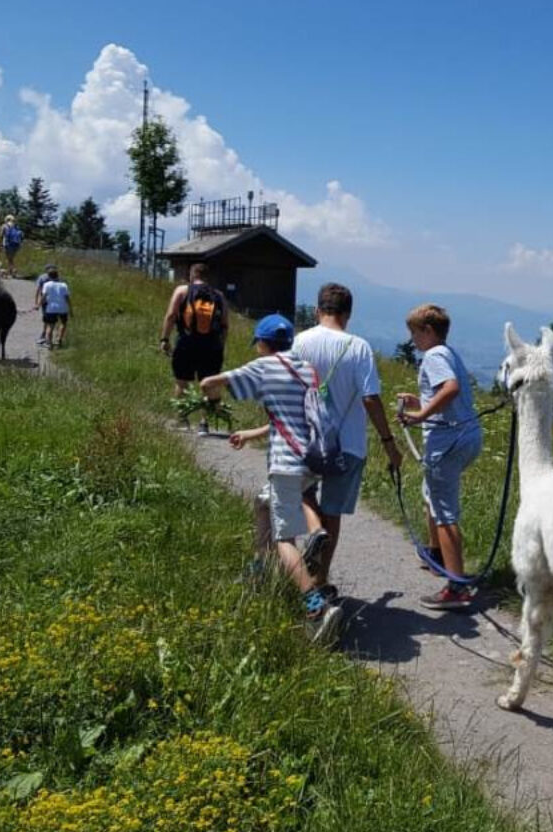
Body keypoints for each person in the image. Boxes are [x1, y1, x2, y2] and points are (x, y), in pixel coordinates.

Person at [201, 315, 344, 644]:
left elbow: (210, 382)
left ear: (263, 344)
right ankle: (259, 575)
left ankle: (315, 605)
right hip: (310, 460)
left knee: (284, 539)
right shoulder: (308, 370)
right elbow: (294, 417)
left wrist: (210, 399)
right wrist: (253, 433)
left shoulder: (264, 366)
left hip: (285, 464)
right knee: (263, 506)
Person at [288, 283, 404, 591]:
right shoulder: (359, 347)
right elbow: (370, 398)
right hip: (348, 443)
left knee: (302, 493)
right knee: (334, 512)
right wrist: (389, 443)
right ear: (348, 314)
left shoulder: (300, 342)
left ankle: (311, 539)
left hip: (306, 439)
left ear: (317, 310)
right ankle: (321, 577)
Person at [397, 303, 483, 610]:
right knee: (430, 496)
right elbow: (446, 394)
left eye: (414, 333)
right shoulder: (448, 353)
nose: (412, 340)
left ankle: (456, 586)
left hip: (446, 442)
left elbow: (451, 388)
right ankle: (437, 558)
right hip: (465, 436)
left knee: (445, 512)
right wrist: (420, 399)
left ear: (428, 331)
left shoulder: (433, 355)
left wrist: (420, 414)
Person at [160, 263, 227, 432]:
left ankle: (182, 420)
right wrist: (220, 346)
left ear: (192, 275)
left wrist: (165, 338)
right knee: (208, 384)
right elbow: (225, 325)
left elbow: (171, 315)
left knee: (182, 382)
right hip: (211, 345)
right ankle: (204, 424)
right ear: (207, 277)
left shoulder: (182, 291)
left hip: (186, 342)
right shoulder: (219, 296)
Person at [39, 268, 71, 349]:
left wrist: (38, 305)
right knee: (63, 323)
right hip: (63, 307)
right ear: (58, 276)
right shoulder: (64, 285)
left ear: (49, 276)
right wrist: (71, 308)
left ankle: (49, 343)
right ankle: (59, 339)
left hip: (51, 308)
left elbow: (44, 296)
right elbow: (67, 298)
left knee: (50, 326)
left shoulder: (47, 285)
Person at [33, 264, 59, 345]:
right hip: (54, 301)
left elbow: (38, 290)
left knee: (47, 318)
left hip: (45, 301)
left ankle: (45, 336)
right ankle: (47, 336)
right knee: (51, 320)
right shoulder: (57, 278)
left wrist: (37, 303)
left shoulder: (42, 277)